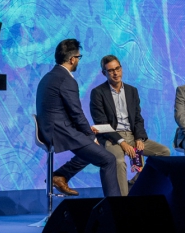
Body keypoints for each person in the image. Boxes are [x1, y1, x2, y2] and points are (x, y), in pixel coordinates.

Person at [51, 55, 171, 197]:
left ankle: (134, 185)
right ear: (104, 73)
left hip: (132, 136)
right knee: (119, 161)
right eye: (111, 71)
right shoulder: (98, 93)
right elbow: (101, 123)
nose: (115, 73)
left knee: (164, 152)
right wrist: (122, 142)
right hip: (111, 137)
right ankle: (122, 202)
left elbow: (138, 118)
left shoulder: (132, 91)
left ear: (121, 69)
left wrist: (139, 138)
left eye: (117, 69)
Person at [35, 39, 121, 198]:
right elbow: (76, 112)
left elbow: (64, 110)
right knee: (108, 159)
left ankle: (61, 175)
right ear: (72, 59)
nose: (78, 61)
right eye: (79, 58)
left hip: (51, 129)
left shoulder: (49, 76)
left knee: (97, 146)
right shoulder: (66, 79)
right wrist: (90, 135)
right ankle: (115, 208)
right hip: (59, 132)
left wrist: (89, 135)